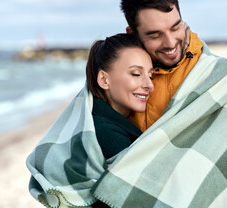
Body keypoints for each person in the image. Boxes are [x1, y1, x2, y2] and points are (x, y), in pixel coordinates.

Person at [91, 0, 227, 208]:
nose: (170, 43)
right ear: (132, 33)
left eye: (175, 27)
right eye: (154, 35)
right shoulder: (127, 76)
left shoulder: (215, 75)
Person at [26, 33, 154, 207]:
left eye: (151, 75)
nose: (149, 85)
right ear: (104, 79)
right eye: (136, 74)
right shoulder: (107, 133)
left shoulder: (93, 119)